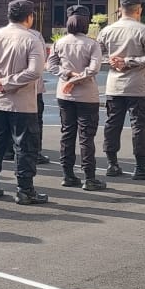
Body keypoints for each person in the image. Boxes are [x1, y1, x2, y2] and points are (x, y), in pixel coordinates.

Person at [0, 0, 48, 205]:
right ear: (29, 17)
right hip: (22, 102)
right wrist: (6, 83)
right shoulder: (32, 39)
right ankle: (25, 189)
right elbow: (35, 71)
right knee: (25, 146)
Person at [96, 0, 145, 179]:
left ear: (120, 10)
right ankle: (140, 167)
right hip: (137, 87)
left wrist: (112, 61)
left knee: (112, 125)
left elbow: (96, 57)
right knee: (139, 127)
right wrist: (129, 61)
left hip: (114, 86)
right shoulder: (143, 29)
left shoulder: (107, 30)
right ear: (139, 10)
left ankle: (112, 164)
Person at [47, 11, 104, 191]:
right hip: (86, 95)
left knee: (67, 134)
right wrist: (76, 79)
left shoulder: (59, 43)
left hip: (64, 95)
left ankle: (68, 175)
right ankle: (89, 177)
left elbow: (51, 66)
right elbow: (93, 69)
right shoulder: (92, 44)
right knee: (86, 137)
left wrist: (68, 75)